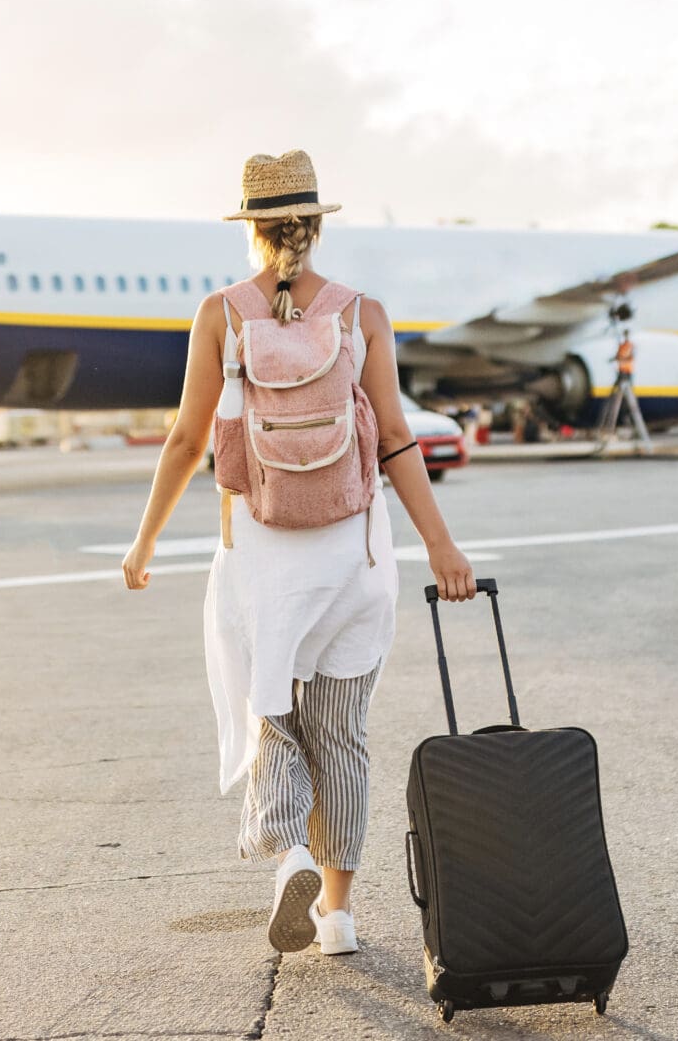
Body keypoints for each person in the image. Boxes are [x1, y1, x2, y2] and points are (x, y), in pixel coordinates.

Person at [120, 150, 474, 958]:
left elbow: (185, 439)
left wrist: (144, 540)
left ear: (252, 231)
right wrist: (441, 546)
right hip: (355, 555)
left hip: (260, 556)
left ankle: (291, 857)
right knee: (342, 733)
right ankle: (339, 918)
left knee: (273, 718)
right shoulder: (362, 314)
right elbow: (393, 438)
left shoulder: (223, 314)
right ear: (314, 228)